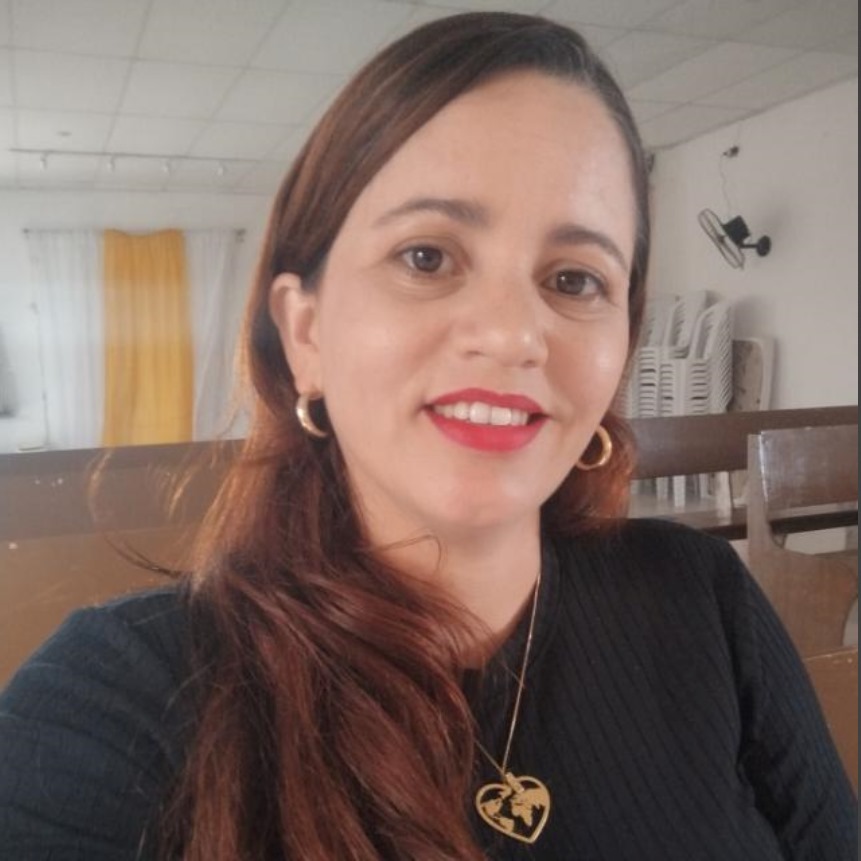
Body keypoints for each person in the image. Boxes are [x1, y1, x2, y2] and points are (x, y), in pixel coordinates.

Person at [0, 11, 855, 861]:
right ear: (304, 332)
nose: (511, 334)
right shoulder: (117, 703)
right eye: (426, 257)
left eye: (573, 279)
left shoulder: (701, 598)